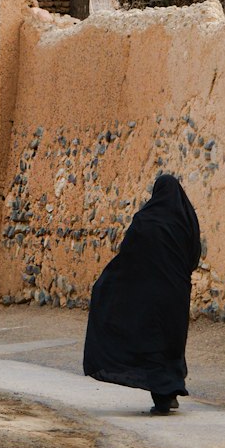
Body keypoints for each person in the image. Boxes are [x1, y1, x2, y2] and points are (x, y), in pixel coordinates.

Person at [83, 172, 201, 415]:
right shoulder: (187, 220)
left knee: (153, 341)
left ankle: (163, 396)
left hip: (150, 294)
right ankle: (171, 389)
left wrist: (106, 285)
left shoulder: (145, 220)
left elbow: (128, 255)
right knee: (172, 340)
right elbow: (194, 254)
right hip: (177, 293)